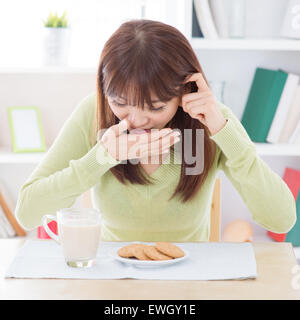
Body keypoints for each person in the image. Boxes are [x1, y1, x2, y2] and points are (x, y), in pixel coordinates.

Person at [15, 19, 296, 242]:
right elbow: (28, 213)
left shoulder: (211, 120)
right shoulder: (93, 112)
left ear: (185, 91)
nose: (136, 120)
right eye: (120, 103)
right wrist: (100, 158)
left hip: (188, 285)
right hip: (113, 282)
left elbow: (282, 219)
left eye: (156, 106)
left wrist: (223, 130)